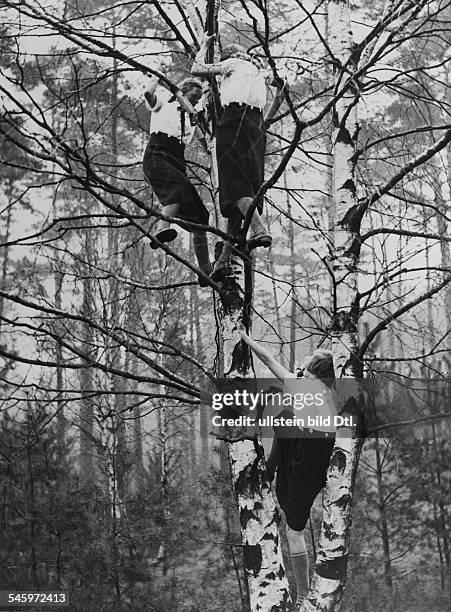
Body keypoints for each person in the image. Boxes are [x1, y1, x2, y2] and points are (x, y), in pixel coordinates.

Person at [237, 322, 337, 610]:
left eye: (305, 371)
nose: (299, 374)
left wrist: (246, 338)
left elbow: (271, 361)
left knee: (278, 409)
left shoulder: (312, 391)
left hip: (304, 467)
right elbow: (272, 363)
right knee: (282, 414)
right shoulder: (318, 390)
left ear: (317, 377)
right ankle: (305, 595)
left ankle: (305, 593)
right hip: (306, 463)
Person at [191, 36, 285, 281]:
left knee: (234, 183)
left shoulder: (233, 64)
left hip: (234, 122)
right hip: (256, 127)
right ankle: (223, 262)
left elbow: (197, 68)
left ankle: (259, 229)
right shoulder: (259, 72)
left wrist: (204, 45)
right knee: (245, 189)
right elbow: (282, 89)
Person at [142, 76, 212, 286]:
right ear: (181, 93)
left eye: (198, 99)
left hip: (177, 161)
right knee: (176, 193)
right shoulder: (163, 105)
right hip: (157, 155)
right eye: (192, 96)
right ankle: (161, 230)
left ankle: (205, 270)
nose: (195, 102)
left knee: (201, 217)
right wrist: (156, 79)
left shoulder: (192, 120)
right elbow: (148, 94)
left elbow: (205, 141)